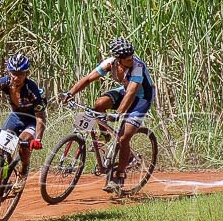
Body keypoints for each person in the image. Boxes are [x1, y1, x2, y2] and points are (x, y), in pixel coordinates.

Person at [61, 36, 156, 193]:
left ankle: (119, 176)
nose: (131, 59)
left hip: (142, 98)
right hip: (125, 92)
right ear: (118, 59)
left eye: (132, 56)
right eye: (127, 58)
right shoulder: (109, 64)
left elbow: (132, 92)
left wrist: (118, 114)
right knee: (98, 105)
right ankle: (104, 136)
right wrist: (70, 94)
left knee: (123, 138)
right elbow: (87, 79)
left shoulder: (137, 66)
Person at [0, 53, 47, 187]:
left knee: (24, 143)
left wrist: (38, 139)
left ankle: (23, 172)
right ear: (9, 72)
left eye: (20, 74)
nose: (16, 77)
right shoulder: (4, 82)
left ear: (26, 73)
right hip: (16, 116)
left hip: (31, 120)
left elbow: (40, 117)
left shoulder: (32, 89)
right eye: (13, 73)